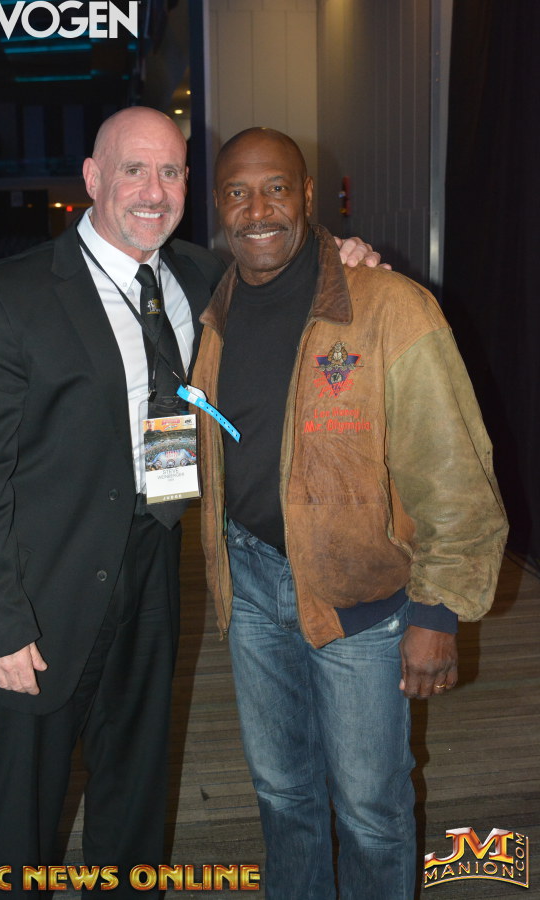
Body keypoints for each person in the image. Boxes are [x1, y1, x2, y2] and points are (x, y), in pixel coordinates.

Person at [0, 107, 379, 896]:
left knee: (135, 790)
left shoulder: (203, 280)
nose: (154, 190)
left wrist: (341, 255)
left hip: (153, 573)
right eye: (133, 170)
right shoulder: (8, 299)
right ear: (92, 178)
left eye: (171, 171)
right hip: (43, 599)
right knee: (23, 814)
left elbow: (289, 274)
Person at [192, 127, 509, 900]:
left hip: (363, 603)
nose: (257, 210)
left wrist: (436, 611)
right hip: (252, 586)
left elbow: (454, 470)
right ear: (218, 206)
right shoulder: (212, 308)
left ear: (308, 196)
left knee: (371, 810)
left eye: (276, 188)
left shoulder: (390, 307)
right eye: (237, 192)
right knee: (282, 794)